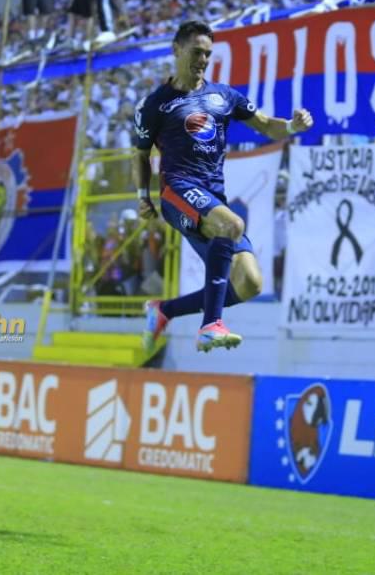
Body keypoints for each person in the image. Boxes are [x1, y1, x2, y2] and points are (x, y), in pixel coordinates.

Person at [134, 20, 314, 352]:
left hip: (210, 198)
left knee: (249, 283)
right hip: (178, 192)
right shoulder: (155, 104)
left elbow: (264, 125)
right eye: (196, 52)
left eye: (208, 54)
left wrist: (291, 125)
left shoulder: (223, 96)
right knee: (232, 224)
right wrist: (143, 196)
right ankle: (210, 326)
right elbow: (141, 154)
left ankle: (164, 311)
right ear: (176, 50)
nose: (203, 59)